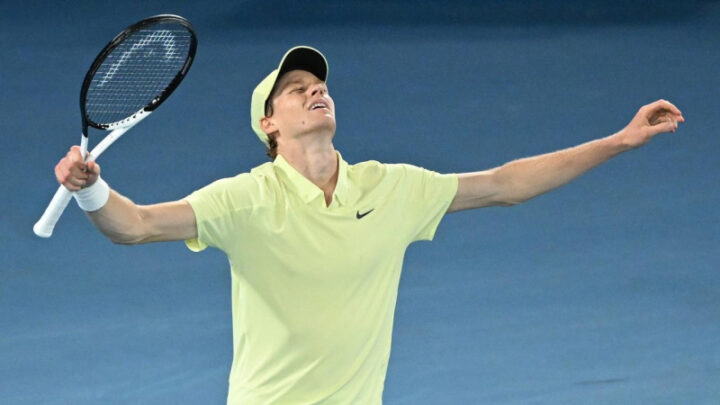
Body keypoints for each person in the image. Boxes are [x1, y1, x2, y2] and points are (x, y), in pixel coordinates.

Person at [55, 46, 684, 404]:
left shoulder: (390, 187)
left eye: (319, 83)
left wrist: (620, 142)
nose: (314, 91)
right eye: (295, 89)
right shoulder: (245, 199)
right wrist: (93, 191)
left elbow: (505, 184)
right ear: (268, 125)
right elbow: (133, 226)